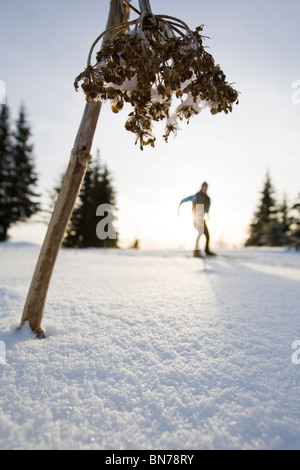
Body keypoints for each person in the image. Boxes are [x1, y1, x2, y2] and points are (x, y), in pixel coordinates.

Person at [179, 182, 216, 257]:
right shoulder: (196, 196)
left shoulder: (207, 198)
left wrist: (207, 214)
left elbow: (208, 207)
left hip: (201, 218)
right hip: (195, 218)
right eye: (204, 187)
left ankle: (207, 251)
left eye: (206, 187)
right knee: (200, 232)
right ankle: (196, 251)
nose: (205, 189)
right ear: (201, 187)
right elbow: (184, 200)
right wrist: (179, 209)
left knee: (207, 235)